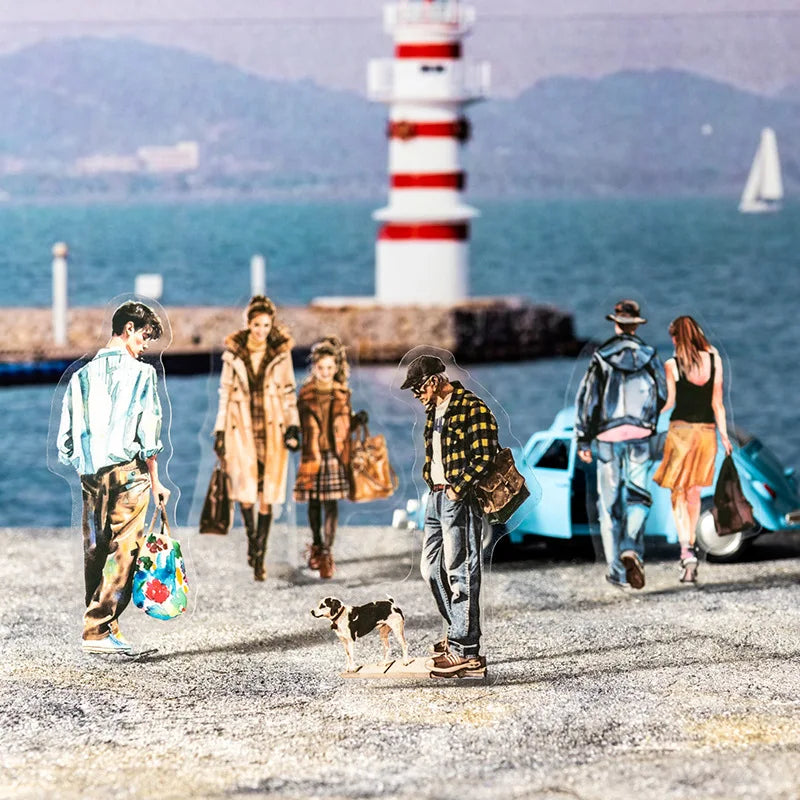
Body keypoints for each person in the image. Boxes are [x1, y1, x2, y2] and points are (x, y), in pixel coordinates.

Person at [57, 301, 170, 654]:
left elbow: (66, 440)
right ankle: (97, 629)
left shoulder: (80, 377)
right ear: (128, 328)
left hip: (91, 475)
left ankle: (105, 629)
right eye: (145, 336)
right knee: (125, 551)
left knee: (96, 550)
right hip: (129, 474)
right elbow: (148, 435)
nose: (146, 345)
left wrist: (84, 462)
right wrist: (156, 481)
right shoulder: (142, 374)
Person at [401, 354, 497, 678]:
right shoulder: (434, 410)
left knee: (462, 572)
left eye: (418, 388)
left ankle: (465, 650)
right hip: (436, 497)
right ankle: (457, 633)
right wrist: (436, 486)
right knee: (430, 569)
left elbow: (486, 456)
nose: (417, 395)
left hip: (459, 497)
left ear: (433, 381)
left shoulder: (472, 408)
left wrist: (459, 488)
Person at [575, 300, 667, 590]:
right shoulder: (650, 355)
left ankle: (616, 570)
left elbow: (587, 399)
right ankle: (631, 548)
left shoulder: (601, 357)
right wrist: (648, 420)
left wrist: (583, 437)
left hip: (607, 439)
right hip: (640, 435)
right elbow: (663, 393)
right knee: (639, 497)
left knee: (609, 506)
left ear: (616, 325)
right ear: (636, 326)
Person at [213, 295, 300, 581]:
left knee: (267, 496)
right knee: (245, 494)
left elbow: (288, 392)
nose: (261, 330)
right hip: (241, 430)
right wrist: (220, 430)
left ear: (271, 325)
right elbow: (225, 394)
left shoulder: (280, 353)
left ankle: (260, 554)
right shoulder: (234, 354)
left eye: (266, 325)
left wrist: (293, 426)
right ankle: (253, 541)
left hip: (272, 431)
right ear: (248, 324)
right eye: (257, 324)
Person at [653, 316, 732, 583]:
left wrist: (648, 417)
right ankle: (692, 547)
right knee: (694, 493)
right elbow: (718, 404)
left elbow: (670, 403)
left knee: (678, 493)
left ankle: (686, 550)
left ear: (677, 338)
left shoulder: (672, 365)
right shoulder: (715, 361)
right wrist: (724, 436)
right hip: (707, 434)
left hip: (681, 433)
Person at [293, 336, 366, 579]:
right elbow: (296, 423)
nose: (325, 372)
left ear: (336, 368)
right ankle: (317, 544)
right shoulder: (305, 394)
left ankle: (326, 551)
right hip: (312, 453)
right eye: (321, 367)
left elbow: (345, 426)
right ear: (315, 368)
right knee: (314, 503)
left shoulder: (342, 393)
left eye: (330, 368)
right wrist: (291, 436)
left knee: (331, 505)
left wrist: (357, 420)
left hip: (336, 455)